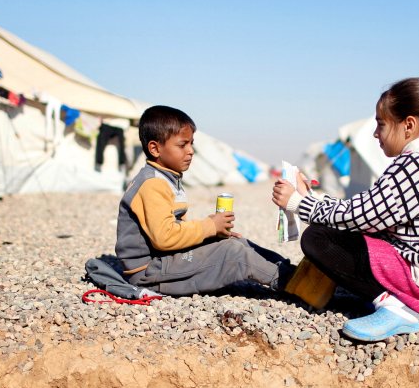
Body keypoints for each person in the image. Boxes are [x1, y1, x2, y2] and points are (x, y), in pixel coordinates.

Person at [273, 77, 419, 341]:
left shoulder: (414, 168)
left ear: (408, 125)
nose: (376, 133)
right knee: (344, 231)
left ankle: (401, 308)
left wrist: (297, 203)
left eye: (381, 124)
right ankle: (398, 299)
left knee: (318, 238)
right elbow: (367, 209)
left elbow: (357, 216)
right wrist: (311, 197)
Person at [116, 105, 293, 295]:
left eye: (191, 143)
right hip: (149, 272)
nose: (190, 151)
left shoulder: (166, 177)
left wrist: (211, 232)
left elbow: (173, 228)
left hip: (163, 261)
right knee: (233, 252)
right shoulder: (152, 184)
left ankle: (289, 270)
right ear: (155, 148)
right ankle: (294, 284)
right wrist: (208, 226)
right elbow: (164, 238)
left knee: (239, 242)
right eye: (182, 145)